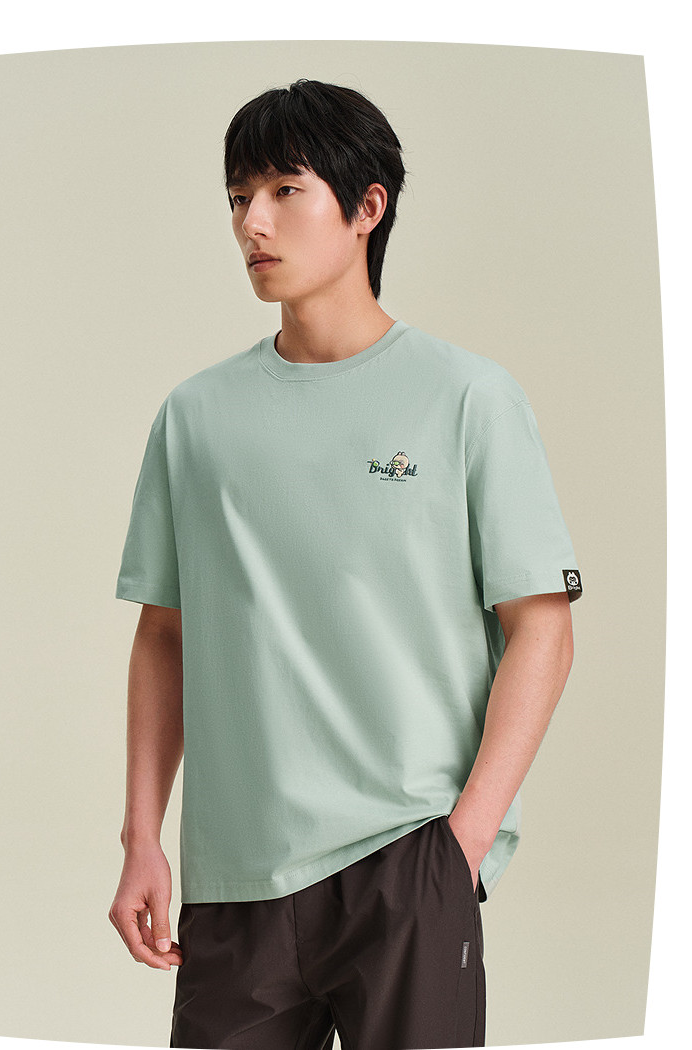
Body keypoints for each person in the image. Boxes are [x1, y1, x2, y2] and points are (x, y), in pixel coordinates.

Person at [108, 78, 583, 1050]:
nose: (253, 223)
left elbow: (542, 626)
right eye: (239, 197)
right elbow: (164, 635)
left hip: (406, 857)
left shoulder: (468, 398)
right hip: (236, 878)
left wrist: (462, 844)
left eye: (285, 190)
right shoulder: (195, 417)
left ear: (368, 207)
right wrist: (142, 836)